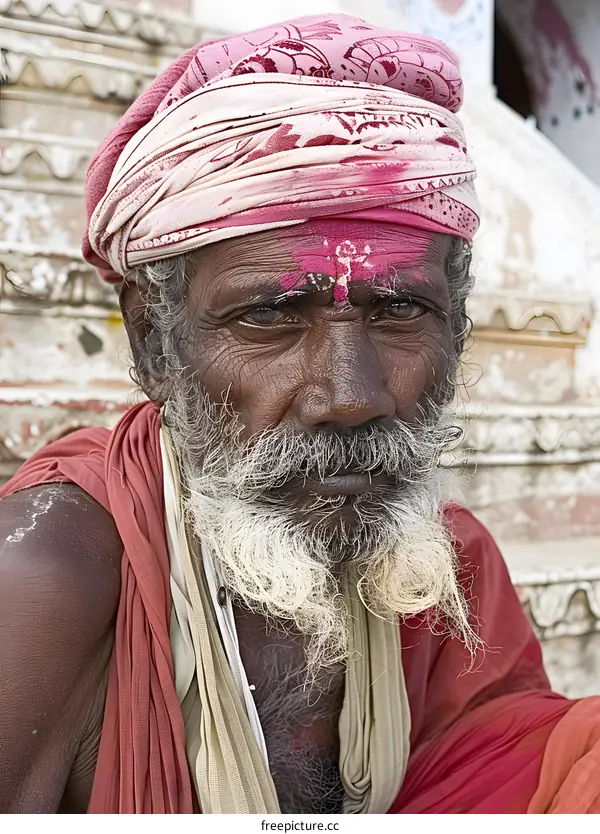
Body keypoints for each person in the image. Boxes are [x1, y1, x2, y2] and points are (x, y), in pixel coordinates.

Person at [1, 14, 599, 815]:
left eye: (398, 310)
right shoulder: (49, 582)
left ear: (455, 329)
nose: (351, 396)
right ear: (152, 342)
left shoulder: (447, 568)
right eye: (271, 317)